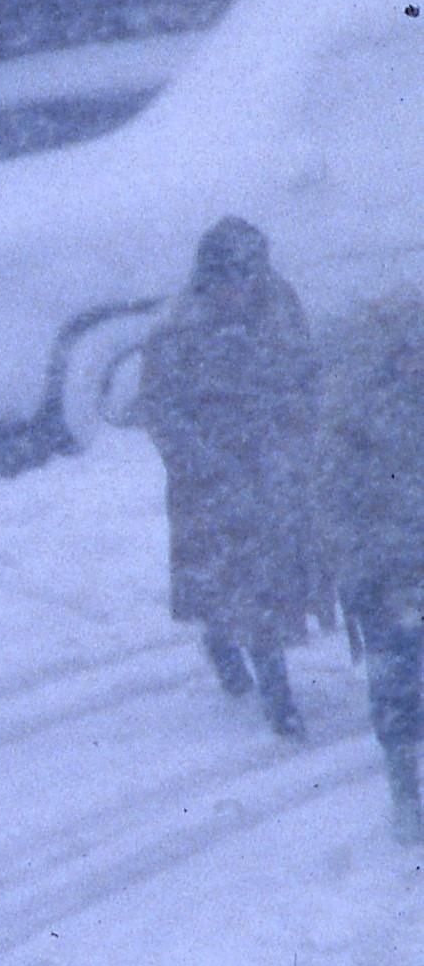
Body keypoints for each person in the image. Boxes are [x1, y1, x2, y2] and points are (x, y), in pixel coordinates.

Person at [138, 216, 323, 739]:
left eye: (246, 278)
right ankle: (252, 673)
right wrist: (200, 462)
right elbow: (158, 405)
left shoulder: (281, 309)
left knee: (267, 593)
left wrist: (299, 437)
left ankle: (269, 681)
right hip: (211, 487)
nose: (237, 290)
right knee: (227, 585)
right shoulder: (177, 332)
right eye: (226, 279)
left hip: (272, 476)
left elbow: (308, 374)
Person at [316, 290, 424, 843]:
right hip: (387, 580)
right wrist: (357, 572)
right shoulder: (360, 416)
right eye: (410, 351)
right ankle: (406, 794)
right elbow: (337, 499)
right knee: (397, 691)